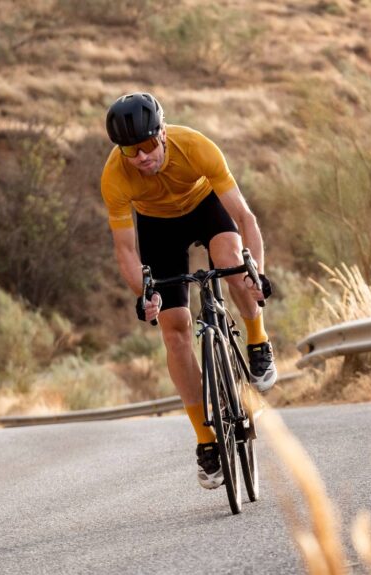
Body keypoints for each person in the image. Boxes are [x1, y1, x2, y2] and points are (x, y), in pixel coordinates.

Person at [101, 92, 277, 490]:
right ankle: (206, 440)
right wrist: (144, 295)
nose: (141, 157)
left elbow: (244, 217)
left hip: (204, 207)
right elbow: (126, 250)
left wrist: (257, 274)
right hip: (157, 229)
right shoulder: (115, 176)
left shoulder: (196, 147)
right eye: (131, 151)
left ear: (161, 134)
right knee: (174, 327)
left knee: (232, 266)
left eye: (147, 145)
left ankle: (257, 340)